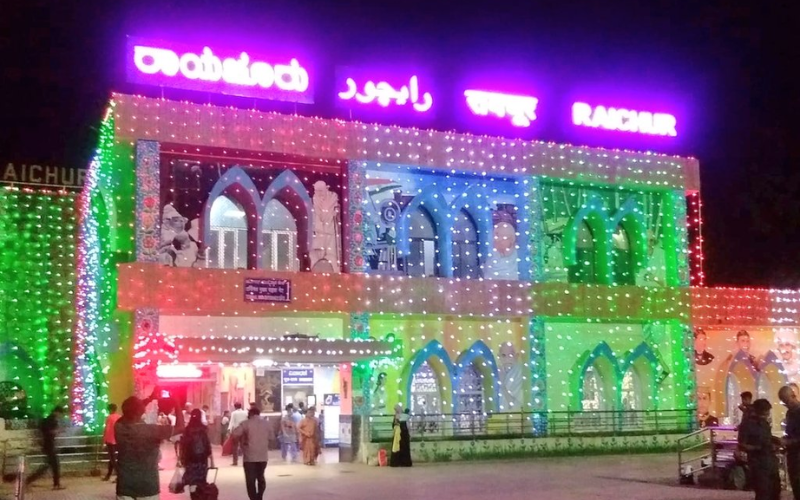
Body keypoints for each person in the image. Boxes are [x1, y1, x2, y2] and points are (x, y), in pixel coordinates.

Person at [115, 396, 174, 500]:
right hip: (148, 487)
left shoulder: (119, 427)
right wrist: (177, 402)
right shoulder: (152, 430)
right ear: (140, 411)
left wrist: (149, 398)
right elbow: (181, 427)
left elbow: (128, 413)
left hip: (125, 486)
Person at [739, 398, 781, 500]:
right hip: (758, 463)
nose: (767, 415)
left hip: (771, 461)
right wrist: (758, 448)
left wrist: (777, 442)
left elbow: (768, 437)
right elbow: (742, 444)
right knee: (763, 492)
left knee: (775, 491)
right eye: (765, 412)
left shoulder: (765, 423)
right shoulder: (747, 424)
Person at [232, 407, 270, 500]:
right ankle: (260, 496)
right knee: (260, 477)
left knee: (250, 480)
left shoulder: (246, 423)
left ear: (250, 414)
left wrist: (243, 442)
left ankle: (253, 498)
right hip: (263, 456)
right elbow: (272, 437)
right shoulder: (266, 424)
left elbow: (235, 434)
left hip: (250, 457)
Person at [26, 406, 66, 490]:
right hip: (49, 445)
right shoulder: (51, 420)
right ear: (56, 412)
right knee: (55, 465)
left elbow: (43, 431)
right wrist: (58, 431)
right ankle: (56, 484)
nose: (60, 416)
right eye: (60, 414)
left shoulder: (47, 420)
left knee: (47, 466)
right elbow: (49, 432)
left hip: (47, 445)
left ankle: (28, 480)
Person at [180, 409, 213, 500]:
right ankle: (201, 496)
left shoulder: (187, 429)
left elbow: (183, 445)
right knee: (201, 481)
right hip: (202, 460)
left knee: (192, 481)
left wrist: (182, 459)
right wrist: (211, 460)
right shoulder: (203, 429)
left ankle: (193, 497)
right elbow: (207, 445)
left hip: (190, 460)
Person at [780, 385, 800, 500]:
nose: (786, 404)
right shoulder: (789, 413)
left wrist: (789, 442)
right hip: (792, 454)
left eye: (787, 401)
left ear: (793, 396)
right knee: (795, 484)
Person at [102, 403, 122, 482]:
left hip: (110, 440)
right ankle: (108, 475)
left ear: (110, 409)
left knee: (112, 459)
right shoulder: (119, 417)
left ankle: (119, 475)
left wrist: (103, 441)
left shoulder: (109, 418)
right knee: (112, 459)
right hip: (118, 440)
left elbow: (107, 429)